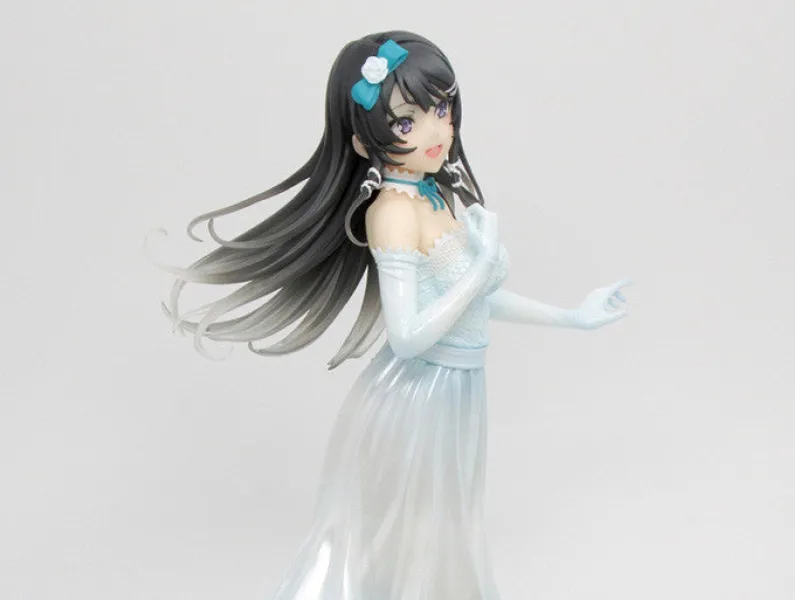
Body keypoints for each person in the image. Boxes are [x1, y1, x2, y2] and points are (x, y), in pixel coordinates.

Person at [152, 30, 631, 599]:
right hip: (420, 398)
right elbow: (406, 337)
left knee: (443, 537)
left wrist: (572, 317)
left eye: (441, 109)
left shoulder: (437, 196)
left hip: (459, 391)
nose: (436, 131)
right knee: (411, 540)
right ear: (364, 141)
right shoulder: (392, 213)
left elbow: (475, 304)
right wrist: (479, 268)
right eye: (406, 122)